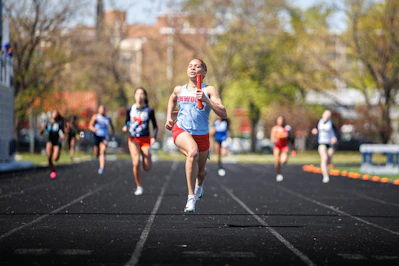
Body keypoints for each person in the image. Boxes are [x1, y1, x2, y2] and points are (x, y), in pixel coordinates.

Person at [165, 58, 227, 213]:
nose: (192, 68)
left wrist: (206, 100)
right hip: (182, 129)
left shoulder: (210, 90)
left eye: (197, 66)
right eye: (190, 66)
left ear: (204, 72)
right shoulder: (180, 89)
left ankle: (200, 185)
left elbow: (223, 113)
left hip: (202, 134)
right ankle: (190, 198)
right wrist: (168, 117)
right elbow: (172, 99)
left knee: (201, 172)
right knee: (192, 152)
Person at [122, 87, 158, 196]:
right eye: (137, 94)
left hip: (145, 139)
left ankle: (147, 154)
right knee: (136, 162)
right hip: (133, 139)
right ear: (134, 96)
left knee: (147, 167)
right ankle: (139, 186)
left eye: (142, 94)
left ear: (145, 96)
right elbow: (127, 121)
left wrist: (154, 137)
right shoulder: (130, 109)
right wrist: (125, 126)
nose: (139, 96)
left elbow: (155, 126)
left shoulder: (149, 110)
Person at [311, 110, 338, 183]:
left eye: (328, 115)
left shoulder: (331, 123)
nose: (327, 116)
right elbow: (314, 129)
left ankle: (327, 167)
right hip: (322, 143)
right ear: (323, 115)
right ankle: (325, 176)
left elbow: (336, 132)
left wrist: (335, 138)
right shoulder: (319, 122)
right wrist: (314, 132)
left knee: (329, 159)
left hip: (330, 143)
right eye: (326, 115)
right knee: (324, 158)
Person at [88, 105, 115, 174]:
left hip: (104, 136)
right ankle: (97, 155)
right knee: (96, 153)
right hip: (97, 135)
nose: (102, 110)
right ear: (99, 110)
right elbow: (90, 125)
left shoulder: (108, 118)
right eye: (101, 109)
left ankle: (101, 168)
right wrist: (93, 129)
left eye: (103, 109)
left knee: (103, 151)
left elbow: (112, 127)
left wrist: (112, 134)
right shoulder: (95, 117)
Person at [39, 110, 65, 179]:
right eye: (54, 113)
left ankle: (57, 152)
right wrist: (43, 128)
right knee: (49, 157)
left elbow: (63, 133)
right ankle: (53, 170)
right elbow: (41, 132)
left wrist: (62, 137)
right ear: (52, 114)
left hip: (56, 142)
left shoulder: (59, 123)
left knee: (55, 158)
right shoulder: (47, 123)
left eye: (56, 113)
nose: (55, 115)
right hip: (49, 141)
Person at [270, 116, 290, 182]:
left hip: (284, 146)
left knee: (283, 160)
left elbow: (289, 137)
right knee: (277, 161)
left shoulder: (286, 128)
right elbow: (272, 139)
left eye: (281, 120)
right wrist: (277, 138)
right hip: (277, 146)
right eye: (279, 120)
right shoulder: (274, 129)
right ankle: (278, 173)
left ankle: (285, 159)